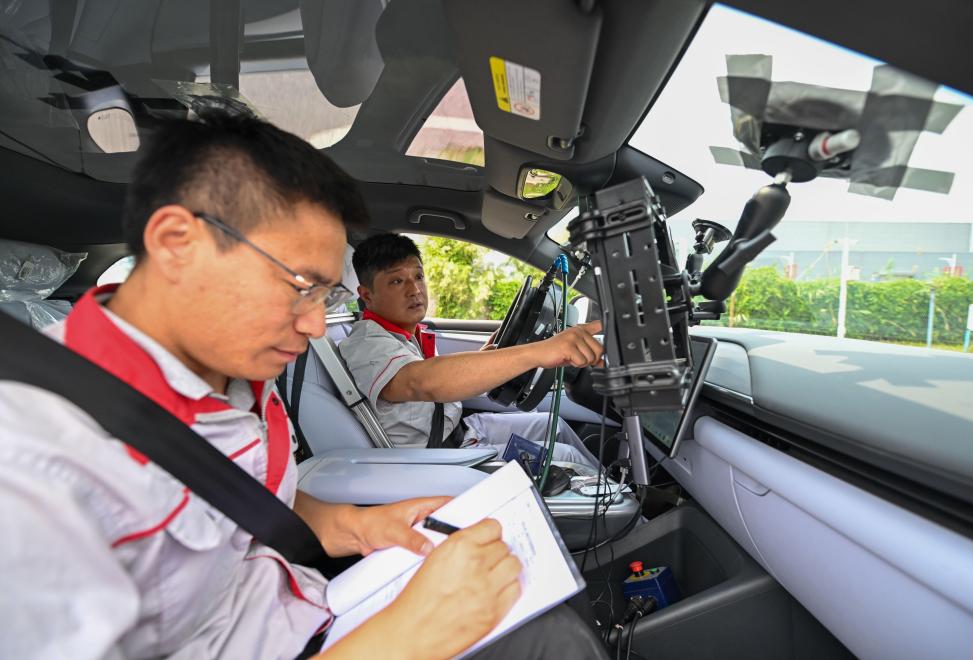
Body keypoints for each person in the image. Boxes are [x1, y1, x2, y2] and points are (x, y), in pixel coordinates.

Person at [0, 112, 607, 660]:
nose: (318, 325)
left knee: (547, 607)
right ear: (177, 245)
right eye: (300, 287)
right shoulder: (30, 470)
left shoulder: (234, 377)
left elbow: (244, 507)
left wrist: (355, 525)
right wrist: (407, 638)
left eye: (326, 295)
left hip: (307, 611)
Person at [338, 234, 604, 467]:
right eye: (397, 281)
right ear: (367, 295)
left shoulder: (406, 333)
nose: (415, 289)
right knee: (566, 456)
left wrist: (486, 358)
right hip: (436, 459)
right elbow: (421, 382)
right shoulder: (366, 343)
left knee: (552, 425)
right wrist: (538, 351)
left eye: (418, 276)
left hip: (461, 431)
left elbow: (439, 383)